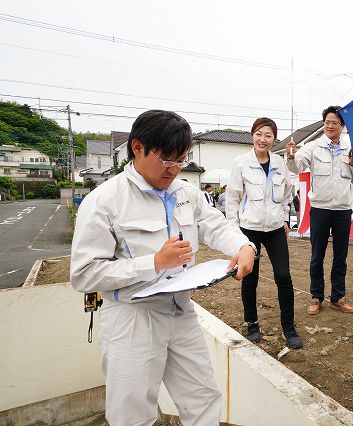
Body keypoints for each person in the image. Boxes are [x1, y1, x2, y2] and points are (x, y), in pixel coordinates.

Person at [70, 110, 257, 426]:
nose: (173, 168)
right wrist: (153, 263)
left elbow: (214, 224)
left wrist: (244, 247)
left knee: (202, 399)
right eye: (166, 159)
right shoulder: (105, 201)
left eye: (181, 160)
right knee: (132, 413)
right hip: (132, 317)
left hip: (181, 310)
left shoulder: (184, 192)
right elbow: (84, 273)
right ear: (137, 148)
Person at [226, 117, 302, 349]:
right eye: (259, 134)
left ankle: (288, 328)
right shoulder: (240, 163)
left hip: (275, 229)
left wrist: (285, 219)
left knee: (283, 276)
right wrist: (234, 232)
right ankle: (252, 324)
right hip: (249, 230)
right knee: (250, 278)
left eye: (268, 135)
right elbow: (233, 199)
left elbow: (288, 194)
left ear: (273, 139)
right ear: (252, 136)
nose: (263, 139)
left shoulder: (280, 163)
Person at [286, 106, 353, 315]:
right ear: (323, 124)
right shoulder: (313, 147)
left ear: (342, 126)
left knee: (341, 256)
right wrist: (291, 157)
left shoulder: (351, 149)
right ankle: (316, 297)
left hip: (342, 210)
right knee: (316, 255)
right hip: (319, 209)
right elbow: (296, 168)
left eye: (335, 123)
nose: (330, 126)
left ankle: (337, 297)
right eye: (327, 122)